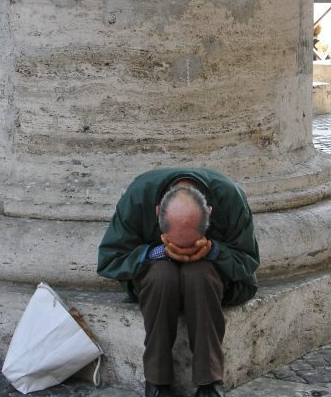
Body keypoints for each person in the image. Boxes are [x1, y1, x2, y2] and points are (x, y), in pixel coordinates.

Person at [97, 168, 260, 397]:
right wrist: (158, 253)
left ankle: (210, 382)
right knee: (162, 276)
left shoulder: (231, 197)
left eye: (189, 243)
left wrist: (212, 251)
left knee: (198, 273)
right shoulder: (138, 196)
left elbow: (248, 259)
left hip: (211, 279)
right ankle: (156, 383)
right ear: (157, 212)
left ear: (209, 214)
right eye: (177, 243)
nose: (184, 250)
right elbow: (109, 259)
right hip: (157, 279)